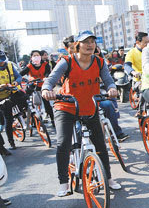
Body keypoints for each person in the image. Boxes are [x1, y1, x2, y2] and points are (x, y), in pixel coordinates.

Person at [42, 31, 122, 197]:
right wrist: (46, 89)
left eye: (92, 41)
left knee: (100, 144)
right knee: (63, 143)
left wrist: (112, 88)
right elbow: (52, 79)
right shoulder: (67, 61)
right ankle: (63, 182)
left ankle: (108, 178)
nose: (90, 45)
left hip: (89, 107)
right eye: (86, 42)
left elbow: (108, 80)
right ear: (77, 45)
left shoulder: (99, 62)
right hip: (66, 107)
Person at [94, 48, 128, 142]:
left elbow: (108, 78)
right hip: (87, 97)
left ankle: (116, 133)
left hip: (103, 91)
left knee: (110, 105)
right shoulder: (75, 63)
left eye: (97, 52)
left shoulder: (101, 62)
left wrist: (112, 88)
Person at [0, 51, 29, 150]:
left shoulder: (9, 65)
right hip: (2, 97)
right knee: (8, 119)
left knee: (25, 97)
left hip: (13, 92)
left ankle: (23, 115)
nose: (2, 63)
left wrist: (16, 82)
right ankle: (11, 142)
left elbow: (19, 77)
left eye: (2, 60)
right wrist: (1, 86)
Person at [20, 50, 56, 127]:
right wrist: (19, 79)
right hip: (32, 86)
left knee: (47, 103)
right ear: (31, 57)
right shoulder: (29, 66)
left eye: (38, 55)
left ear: (40, 57)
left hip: (42, 86)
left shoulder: (45, 64)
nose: (36, 57)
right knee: (26, 100)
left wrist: (46, 77)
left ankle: (53, 120)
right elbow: (20, 74)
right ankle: (32, 119)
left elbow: (47, 73)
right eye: (34, 56)